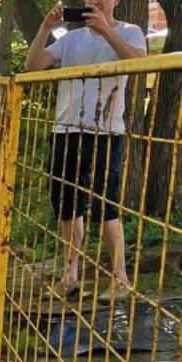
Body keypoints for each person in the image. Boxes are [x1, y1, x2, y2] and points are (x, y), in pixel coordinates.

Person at [24, 1, 147, 301]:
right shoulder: (71, 38)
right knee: (67, 207)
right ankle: (70, 277)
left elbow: (140, 63)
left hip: (105, 132)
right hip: (65, 130)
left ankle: (120, 278)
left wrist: (106, 32)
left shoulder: (131, 32)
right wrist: (44, 29)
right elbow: (32, 66)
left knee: (107, 205)